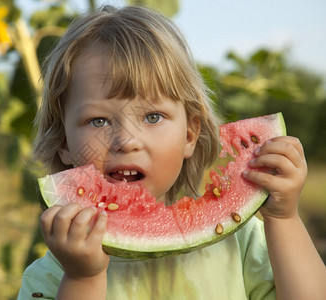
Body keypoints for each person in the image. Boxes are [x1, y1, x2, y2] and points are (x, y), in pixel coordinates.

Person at [18, 5, 326, 299]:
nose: (126, 141)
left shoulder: (242, 243)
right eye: (98, 121)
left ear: (189, 135)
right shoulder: (49, 276)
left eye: (152, 117)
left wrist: (284, 221)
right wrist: (81, 279)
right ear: (62, 143)